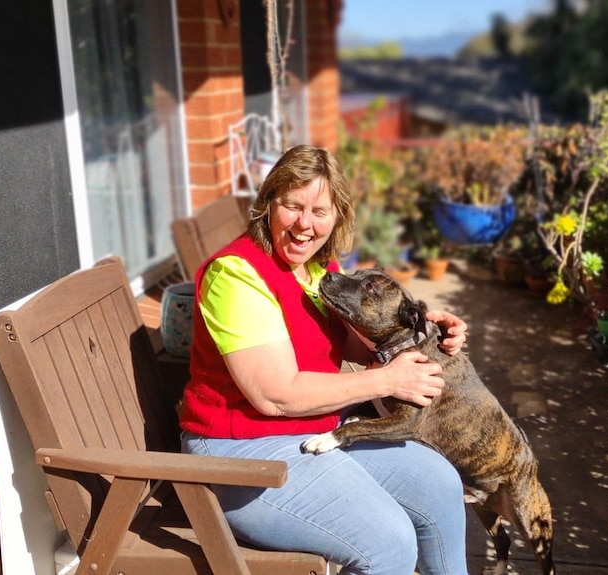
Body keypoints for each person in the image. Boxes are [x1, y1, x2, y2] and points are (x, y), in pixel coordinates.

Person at [178, 144, 470, 575]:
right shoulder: (238, 276)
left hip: (315, 428)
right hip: (241, 454)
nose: (304, 224)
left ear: (338, 216)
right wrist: (386, 381)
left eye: (320, 211)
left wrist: (423, 331)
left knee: (441, 486)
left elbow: (346, 343)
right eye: (292, 206)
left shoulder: (315, 266)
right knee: (388, 544)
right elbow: (275, 396)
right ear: (267, 206)